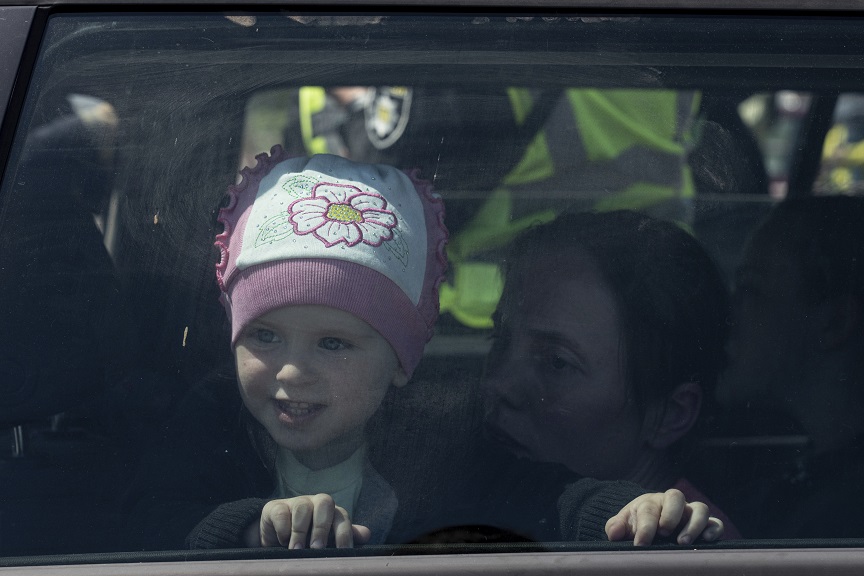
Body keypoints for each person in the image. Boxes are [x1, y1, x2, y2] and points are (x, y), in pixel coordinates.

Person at [126, 147, 723, 550]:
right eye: (263, 335)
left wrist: (629, 513)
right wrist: (251, 532)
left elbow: (549, 499)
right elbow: (154, 527)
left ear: (402, 363)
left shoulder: (444, 442)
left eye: (334, 343)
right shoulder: (208, 428)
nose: (291, 369)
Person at [480, 210, 741, 539]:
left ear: (671, 415)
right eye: (499, 339)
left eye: (557, 363)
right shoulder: (494, 494)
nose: (498, 383)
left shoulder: (695, 551)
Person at [717, 196, 864, 538]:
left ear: (834, 323)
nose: (728, 311)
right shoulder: (814, 477)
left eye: (751, 288)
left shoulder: (841, 514)